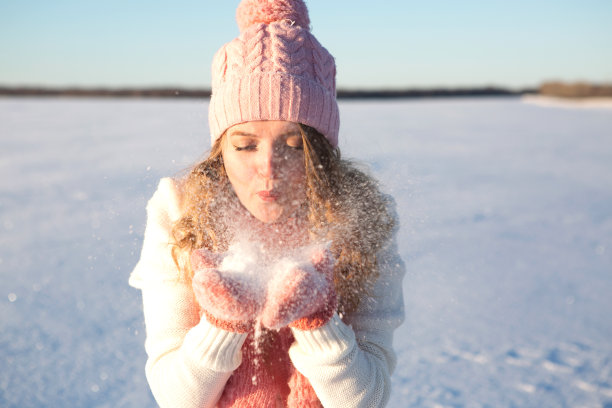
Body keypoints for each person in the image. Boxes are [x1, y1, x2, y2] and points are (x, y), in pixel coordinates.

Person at [129, 0, 405, 407]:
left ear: (322, 152)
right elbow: (176, 398)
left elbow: (367, 399)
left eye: (294, 145)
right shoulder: (181, 210)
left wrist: (319, 321)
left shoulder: (361, 215)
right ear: (220, 149)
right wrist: (223, 322)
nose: (268, 168)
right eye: (245, 145)